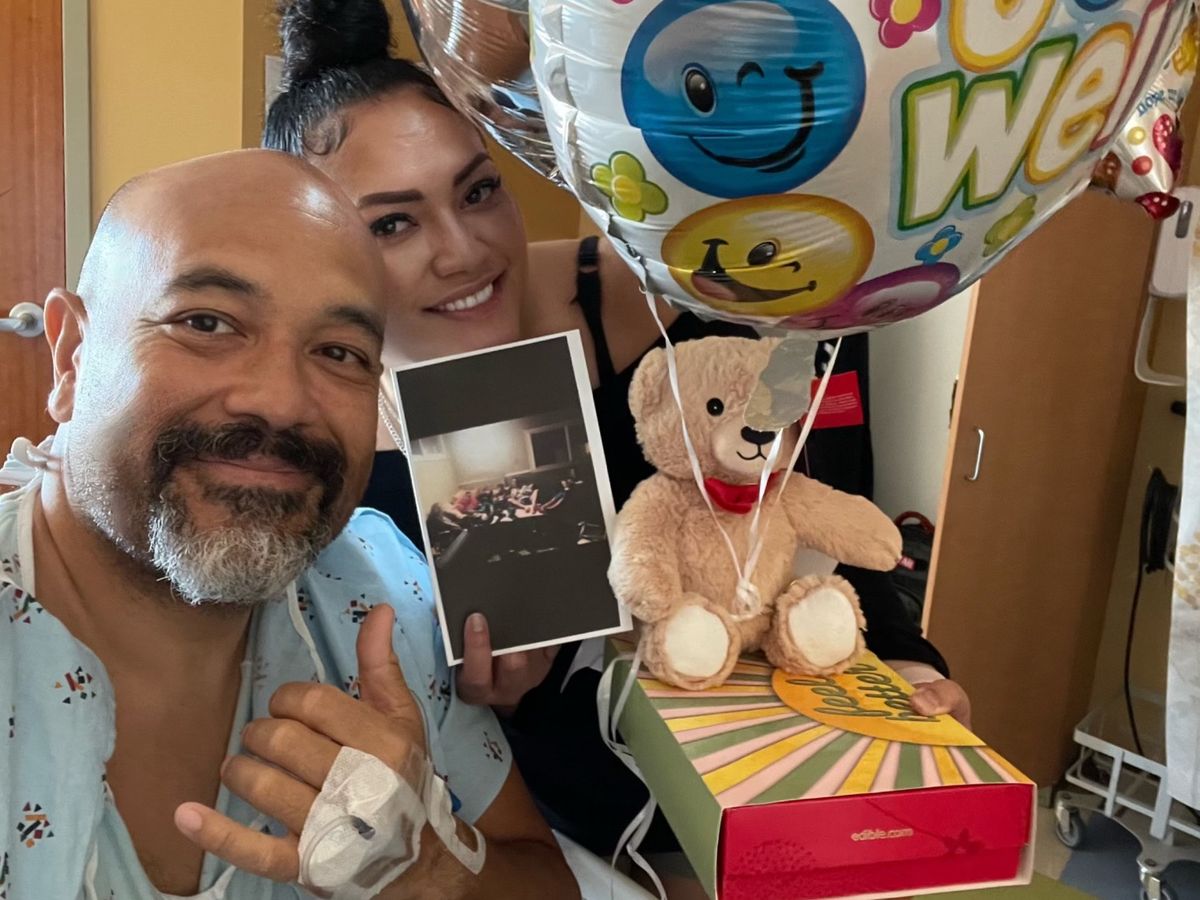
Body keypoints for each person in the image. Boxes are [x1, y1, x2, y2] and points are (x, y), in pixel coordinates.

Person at [264, 0, 969, 888]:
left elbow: (822, 511)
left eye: (478, 191)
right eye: (392, 224)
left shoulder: (684, 307)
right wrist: (504, 707)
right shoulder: (321, 442)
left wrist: (907, 661)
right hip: (554, 854)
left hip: (773, 799)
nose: (464, 252)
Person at [0, 150, 577, 900]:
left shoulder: (383, 596)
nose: (281, 401)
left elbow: (545, 877)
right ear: (72, 356)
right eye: (206, 323)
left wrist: (431, 869)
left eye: (339, 352)